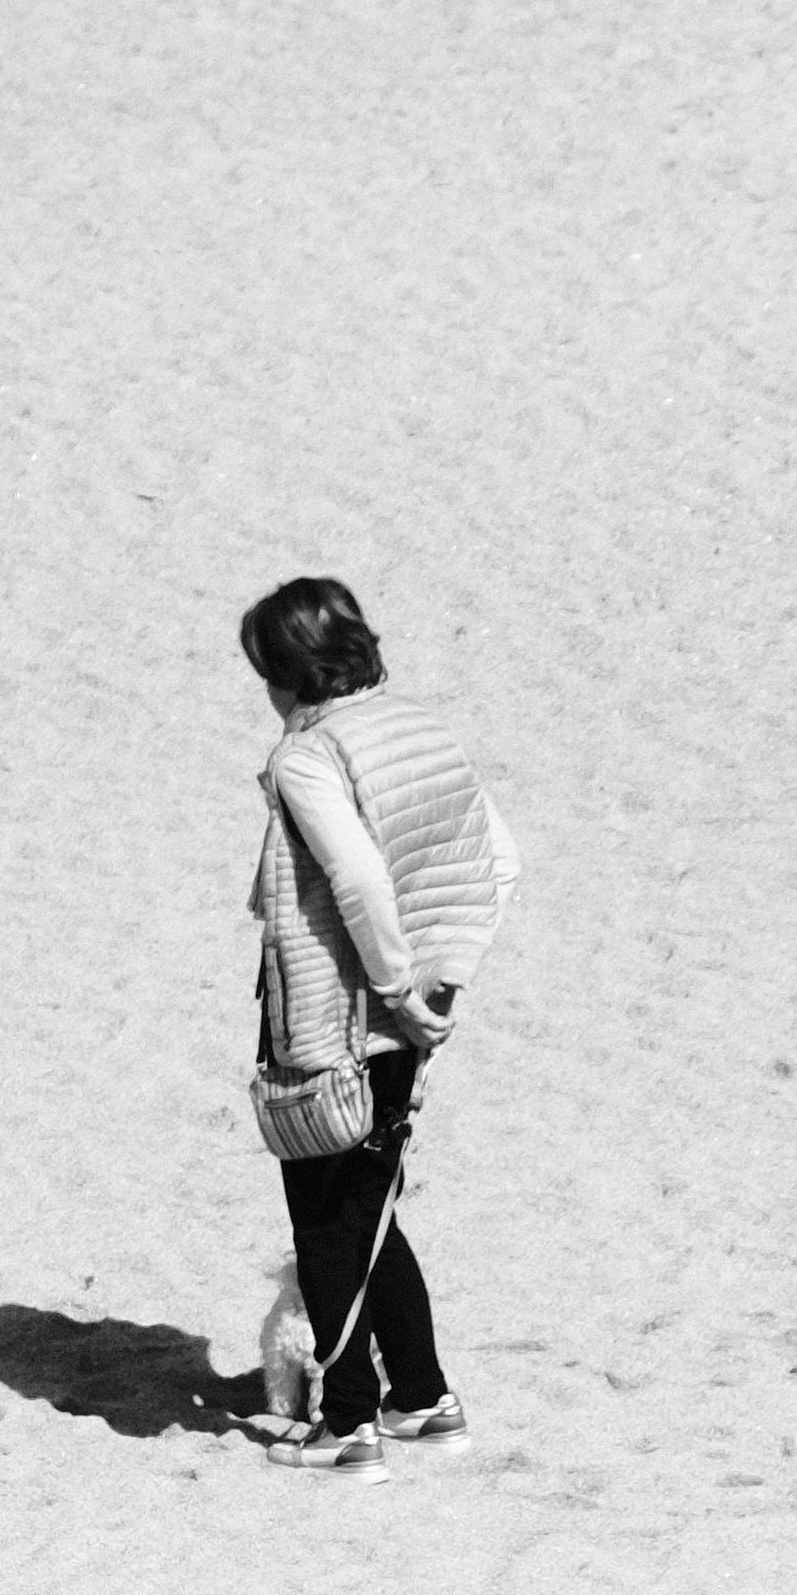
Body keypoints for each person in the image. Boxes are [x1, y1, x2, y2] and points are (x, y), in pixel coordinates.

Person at [241, 574, 517, 1472]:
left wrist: (396, 986)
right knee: (371, 1204)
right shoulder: (422, 729)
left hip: (340, 1011)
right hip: (415, 1007)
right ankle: (425, 1398)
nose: (268, 694)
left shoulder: (306, 757)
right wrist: (445, 981)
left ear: (293, 672)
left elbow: (356, 878)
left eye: (267, 673)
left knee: (326, 1215)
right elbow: (498, 860)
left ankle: (348, 1422)